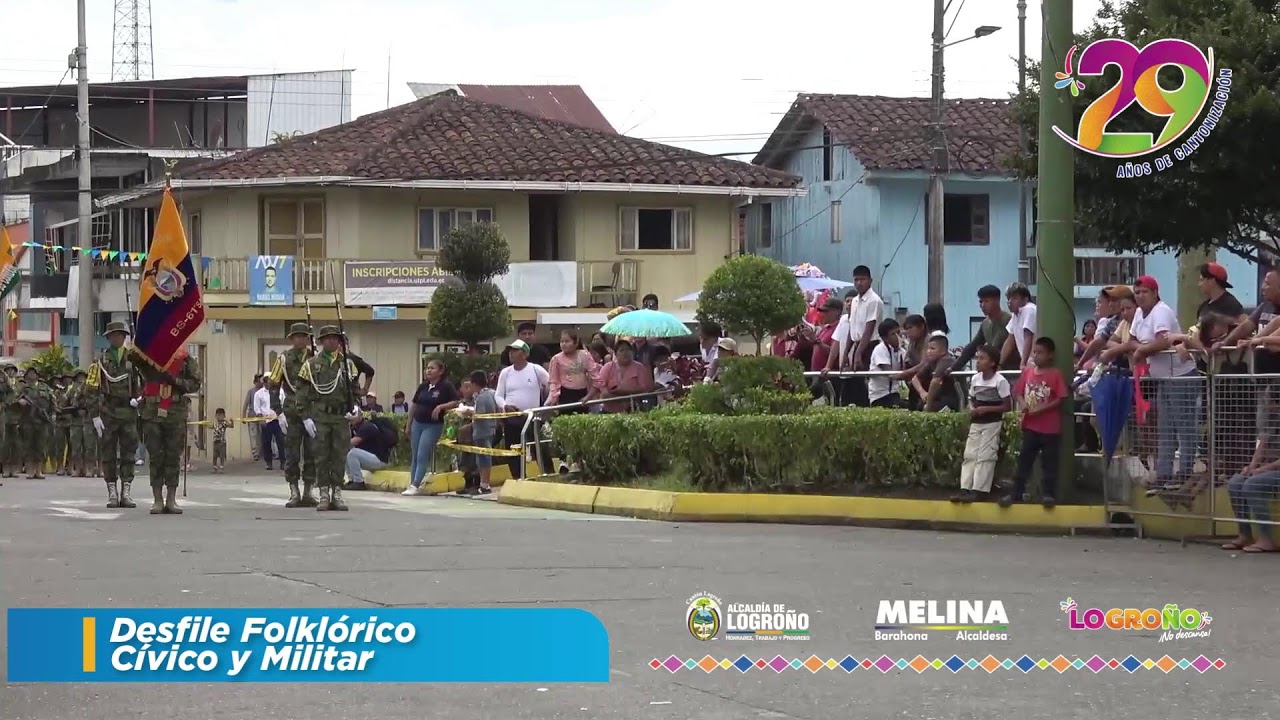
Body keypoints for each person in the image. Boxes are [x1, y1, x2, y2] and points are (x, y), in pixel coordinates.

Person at [1117, 276, 1200, 496]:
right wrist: (1143, 347)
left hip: (1181, 375)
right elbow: (1131, 340)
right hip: (1162, 377)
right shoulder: (1139, 313)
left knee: (1184, 426)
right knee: (1165, 427)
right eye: (1137, 292)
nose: (1140, 296)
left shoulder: (1161, 311)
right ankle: (1164, 473)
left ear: (1155, 293)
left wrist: (1143, 349)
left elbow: (1164, 341)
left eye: (1144, 291)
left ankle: (1185, 472)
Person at [298, 326, 369, 512]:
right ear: (321, 341)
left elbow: (354, 388)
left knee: (339, 455)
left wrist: (355, 406)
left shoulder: (347, 364)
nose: (332, 341)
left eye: (335, 338)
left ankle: (337, 493)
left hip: (340, 416)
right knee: (321, 456)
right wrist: (305, 417)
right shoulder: (311, 364)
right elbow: (302, 393)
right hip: (320, 416)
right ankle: (323, 493)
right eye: (328, 338)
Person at [134, 344, 202, 515]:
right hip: (152, 411)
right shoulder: (149, 355)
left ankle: (171, 498)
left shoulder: (184, 359)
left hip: (175, 411)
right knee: (155, 455)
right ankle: (157, 499)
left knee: (173, 455)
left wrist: (175, 380)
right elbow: (133, 358)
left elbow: (195, 384)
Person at [1001, 337, 1068, 508]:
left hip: (1050, 428)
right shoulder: (1028, 372)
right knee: (1024, 460)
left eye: (1040, 353)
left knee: (1049, 463)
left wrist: (1042, 408)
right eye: (1034, 352)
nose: (1036, 356)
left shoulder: (1055, 374)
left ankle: (1048, 494)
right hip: (1030, 426)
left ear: (1050, 355)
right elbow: (1017, 392)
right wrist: (1023, 404)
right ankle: (1016, 492)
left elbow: (1061, 397)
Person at [89, 322, 142, 508]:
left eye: (120, 335)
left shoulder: (133, 359)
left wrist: (139, 399)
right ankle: (112, 491)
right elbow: (91, 389)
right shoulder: (100, 361)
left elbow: (143, 383)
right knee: (108, 453)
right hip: (108, 412)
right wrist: (95, 415)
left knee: (129, 453)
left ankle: (126, 491)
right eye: (113, 335)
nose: (117, 338)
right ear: (108, 338)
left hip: (128, 411)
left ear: (125, 337)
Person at [268, 323, 319, 508]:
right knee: (292, 454)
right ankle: (294, 490)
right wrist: (278, 412)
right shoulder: (283, 359)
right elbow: (273, 386)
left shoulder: (315, 358)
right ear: (291, 339)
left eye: (304, 336)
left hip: (311, 412)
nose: (301, 339)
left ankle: (308, 490)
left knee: (312, 453)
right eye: (297, 336)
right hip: (291, 413)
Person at [954, 345, 1011, 503]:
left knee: (986, 455)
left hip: (992, 423)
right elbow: (972, 399)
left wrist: (986, 409)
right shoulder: (975, 379)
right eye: (977, 358)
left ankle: (980, 489)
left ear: (992, 363)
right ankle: (965, 488)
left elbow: (1007, 406)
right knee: (970, 454)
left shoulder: (1000, 381)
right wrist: (972, 408)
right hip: (976, 422)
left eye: (982, 358)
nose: (978, 361)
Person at [402, 358, 459, 496]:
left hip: (433, 425)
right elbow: (414, 405)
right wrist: (408, 425)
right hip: (418, 423)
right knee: (415, 455)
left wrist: (441, 407)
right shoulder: (423, 386)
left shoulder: (446, 386)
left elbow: (455, 402)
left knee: (422, 454)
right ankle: (412, 483)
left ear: (440, 371)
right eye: (427, 368)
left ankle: (416, 484)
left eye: (432, 368)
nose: (428, 370)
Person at [496, 340, 552, 478]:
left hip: (532, 417)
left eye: (515, 350)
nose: (511, 353)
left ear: (525, 354)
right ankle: (518, 477)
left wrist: (545, 406)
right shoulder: (506, 373)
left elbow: (553, 387)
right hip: (512, 417)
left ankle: (548, 474)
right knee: (513, 449)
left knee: (538, 447)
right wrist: (504, 406)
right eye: (510, 351)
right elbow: (498, 395)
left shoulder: (536, 370)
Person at [948, 285, 1016, 374]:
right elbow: (972, 347)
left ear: (997, 301)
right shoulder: (985, 324)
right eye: (981, 301)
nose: (982, 305)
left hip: (1010, 370)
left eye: (986, 301)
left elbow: (995, 346)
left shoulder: (1007, 320)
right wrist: (954, 368)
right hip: (994, 371)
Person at [457, 370, 499, 495]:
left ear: (474, 384)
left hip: (482, 430)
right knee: (483, 457)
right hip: (491, 428)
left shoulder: (481, 397)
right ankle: (482, 483)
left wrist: (467, 412)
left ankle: (484, 484)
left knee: (483, 458)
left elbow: (479, 415)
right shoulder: (492, 393)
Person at [590, 338, 655, 412]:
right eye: (621, 350)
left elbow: (643, 388)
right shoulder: (608, 367)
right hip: (609, 409)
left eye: (628, 350)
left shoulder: (639, 367)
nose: (625, 353)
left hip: (633, 408)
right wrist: (615, 398)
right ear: (616, 354)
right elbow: (601, 386)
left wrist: (624, 391)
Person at [18, 366, 52, 479]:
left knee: (41, 446)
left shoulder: (45, 387)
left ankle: (39, 470)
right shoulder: (23, 388)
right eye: (29, 373)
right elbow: (14, 398)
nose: (32, 375)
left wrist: (52, 414)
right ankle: (30, 470)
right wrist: (20, 401)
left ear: (37, 375)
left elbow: (52, 402)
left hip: (41, 421)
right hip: (27, 420)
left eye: (34, 373)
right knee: (28, 445)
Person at [868, 318, 906, 409]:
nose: (898, 336)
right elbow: (890, 373)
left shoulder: (902, 351)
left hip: (894, 393)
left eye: (898, 332)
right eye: (893, 334)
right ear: (885, 338)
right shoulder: (880, 349)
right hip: (880, 395)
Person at [344, 415, 390, 490]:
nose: (351, 418)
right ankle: (351, 480)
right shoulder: (354, 428)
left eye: (354, 415)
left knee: (353, 453)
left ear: (360, 416)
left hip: (379, 460)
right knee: (347, 451)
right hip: (370, 459)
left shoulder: (366, 426)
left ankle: (359, 482)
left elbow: (354, 441)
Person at [1001, 282, 1038, 370]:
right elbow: (1009, 340)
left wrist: (1023, 363)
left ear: (1025, 299)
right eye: (1008, 298)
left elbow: (1028, 336)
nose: (1009, 302)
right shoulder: (1015, 315)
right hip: (1029, 363)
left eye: (1014, 298)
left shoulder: (1029, 309)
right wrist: (999, 364)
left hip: (1034, 362)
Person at [254, 377, 285, 471]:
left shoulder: (280, 392)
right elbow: (257, 408)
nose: (269, 384)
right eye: (267, 382)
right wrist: (261, 419)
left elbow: (283, 404)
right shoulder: (258, 394)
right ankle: (269, 463)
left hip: (277, 419)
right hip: (266, 421)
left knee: (281, 442)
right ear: (264, 383)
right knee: (266, 442)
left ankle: (283, 462)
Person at [211, 408, 232, 474]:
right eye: (218, 415)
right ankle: (214, 467)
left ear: (224, 416)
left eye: (221, 415)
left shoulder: (224, 423)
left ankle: (221, 467)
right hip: (215, 442)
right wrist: (205, 422)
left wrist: (232, 421)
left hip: (222, 442)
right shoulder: (215, 423)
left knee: (221, 456)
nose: (219, 417)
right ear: (215, 416)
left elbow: (231, 426)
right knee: (214, 456)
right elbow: (210, 426)